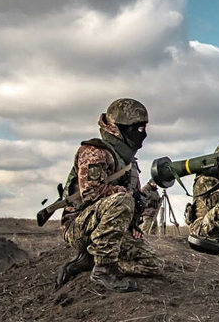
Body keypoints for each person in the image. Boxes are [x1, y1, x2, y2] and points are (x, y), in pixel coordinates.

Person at [56, 98, 163, 292]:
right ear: (121, 127)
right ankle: (104, 268)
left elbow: (130, 200)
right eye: (138, 129)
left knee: (154, 264)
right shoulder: (94, 151)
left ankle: (89, 260)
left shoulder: (130, 163)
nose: (143, 134)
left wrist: (132, 224)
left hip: (107, 226)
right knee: (122, 200)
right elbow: (91, 193)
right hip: (79, 227)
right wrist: (129, 196)